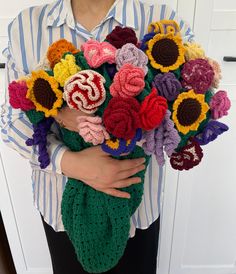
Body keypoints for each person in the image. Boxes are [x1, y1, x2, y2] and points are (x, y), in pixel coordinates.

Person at [1, 0, 194, 273]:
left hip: (138, 214)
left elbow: (191, 107)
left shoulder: (161, 20)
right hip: (63, 214)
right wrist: (72, 161)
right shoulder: (27, 26)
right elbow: (11, 120)